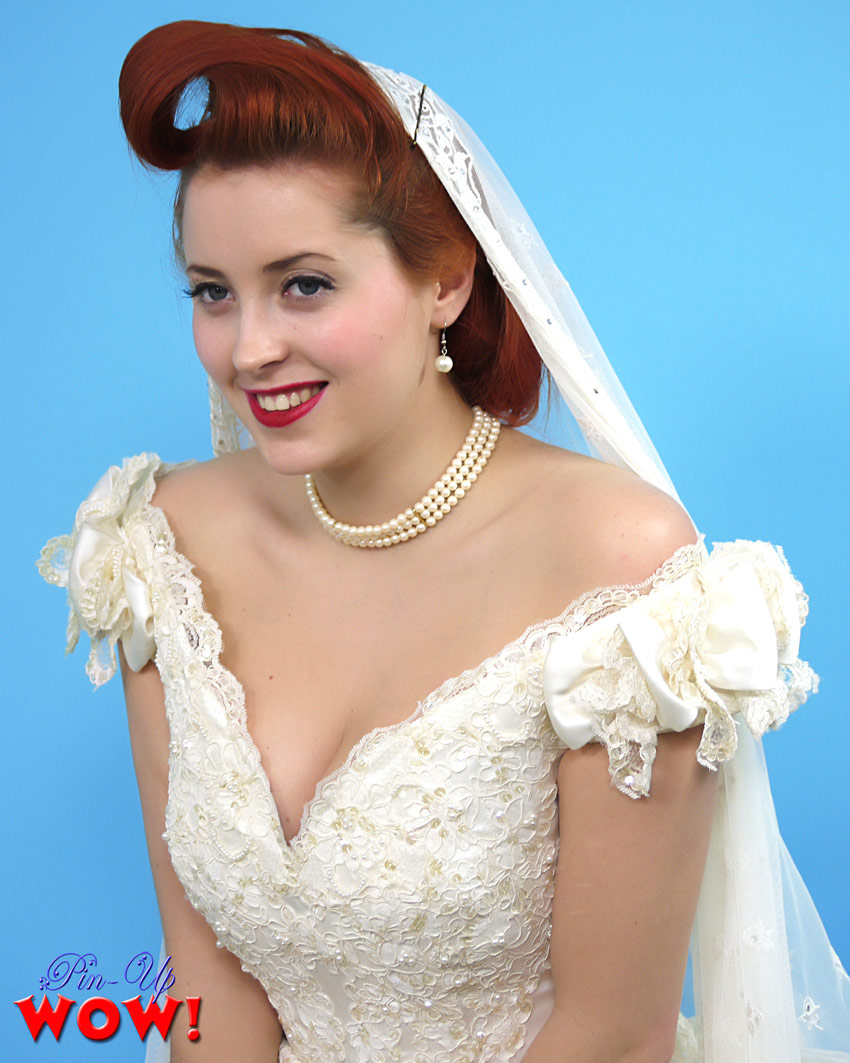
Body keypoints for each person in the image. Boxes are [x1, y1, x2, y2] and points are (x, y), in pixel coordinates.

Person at [37, 20, 849, 1063]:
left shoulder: (620, 574)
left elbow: (610, 1035)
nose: (248, 348)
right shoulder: (162, 547)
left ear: (446, 281)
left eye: (304, 284)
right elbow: (205, 987)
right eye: (211, 292)